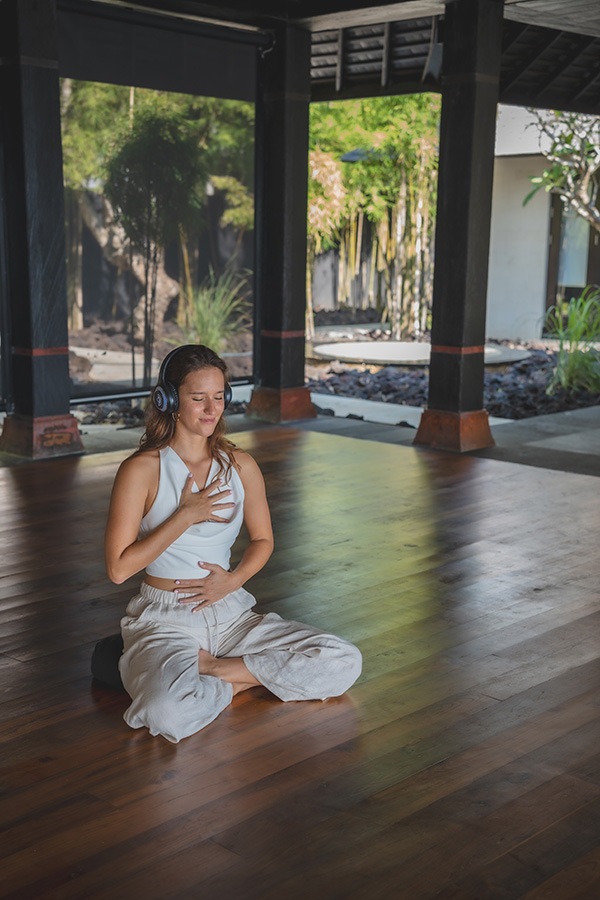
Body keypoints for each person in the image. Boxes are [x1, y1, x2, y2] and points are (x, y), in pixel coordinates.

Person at [103, 344, 362, 743]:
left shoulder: (240, 465)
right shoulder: (141, 470)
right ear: (168, 399)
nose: (211, 409)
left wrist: (235, 580)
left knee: (345, 661)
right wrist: (184, 516)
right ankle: (251, 675)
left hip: (232, 615)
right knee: (164, 713)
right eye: (197, 398)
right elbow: (119, 569)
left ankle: (218, 672)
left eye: (219, 397)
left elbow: (262, 540)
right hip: (166, 620)